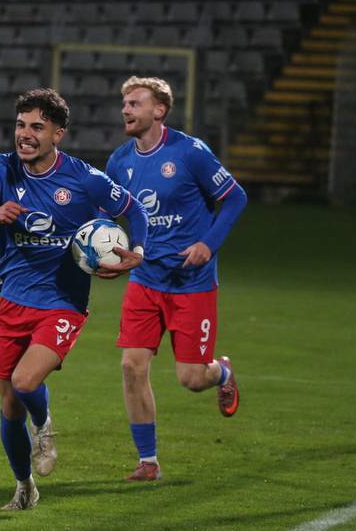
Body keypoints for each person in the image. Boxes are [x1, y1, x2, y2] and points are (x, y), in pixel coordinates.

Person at [0, 88, 149, 509]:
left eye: (37, 127)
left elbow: (135, 211)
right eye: (21, 125)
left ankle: (46, 429)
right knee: (8, 407)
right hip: (13, 299)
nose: (25, 135)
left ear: (58, 133)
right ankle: (24, 488)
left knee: (25, 382)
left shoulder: (83, 178)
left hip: (63, 302)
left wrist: (139, 252)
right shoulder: (0, 170)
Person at [98, 76, 248, 482]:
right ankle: (148, 461)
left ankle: (223, 372)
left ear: (159, 110)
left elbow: (235, 198)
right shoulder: (119, 162)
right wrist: (108, 252)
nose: (126, 110)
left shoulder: (190, 153)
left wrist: (208, 244)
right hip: (145, 280)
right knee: (132, 366)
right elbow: (111, 218)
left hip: (191, 283)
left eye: (135, 103)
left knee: (191, 378)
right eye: (124, 103)